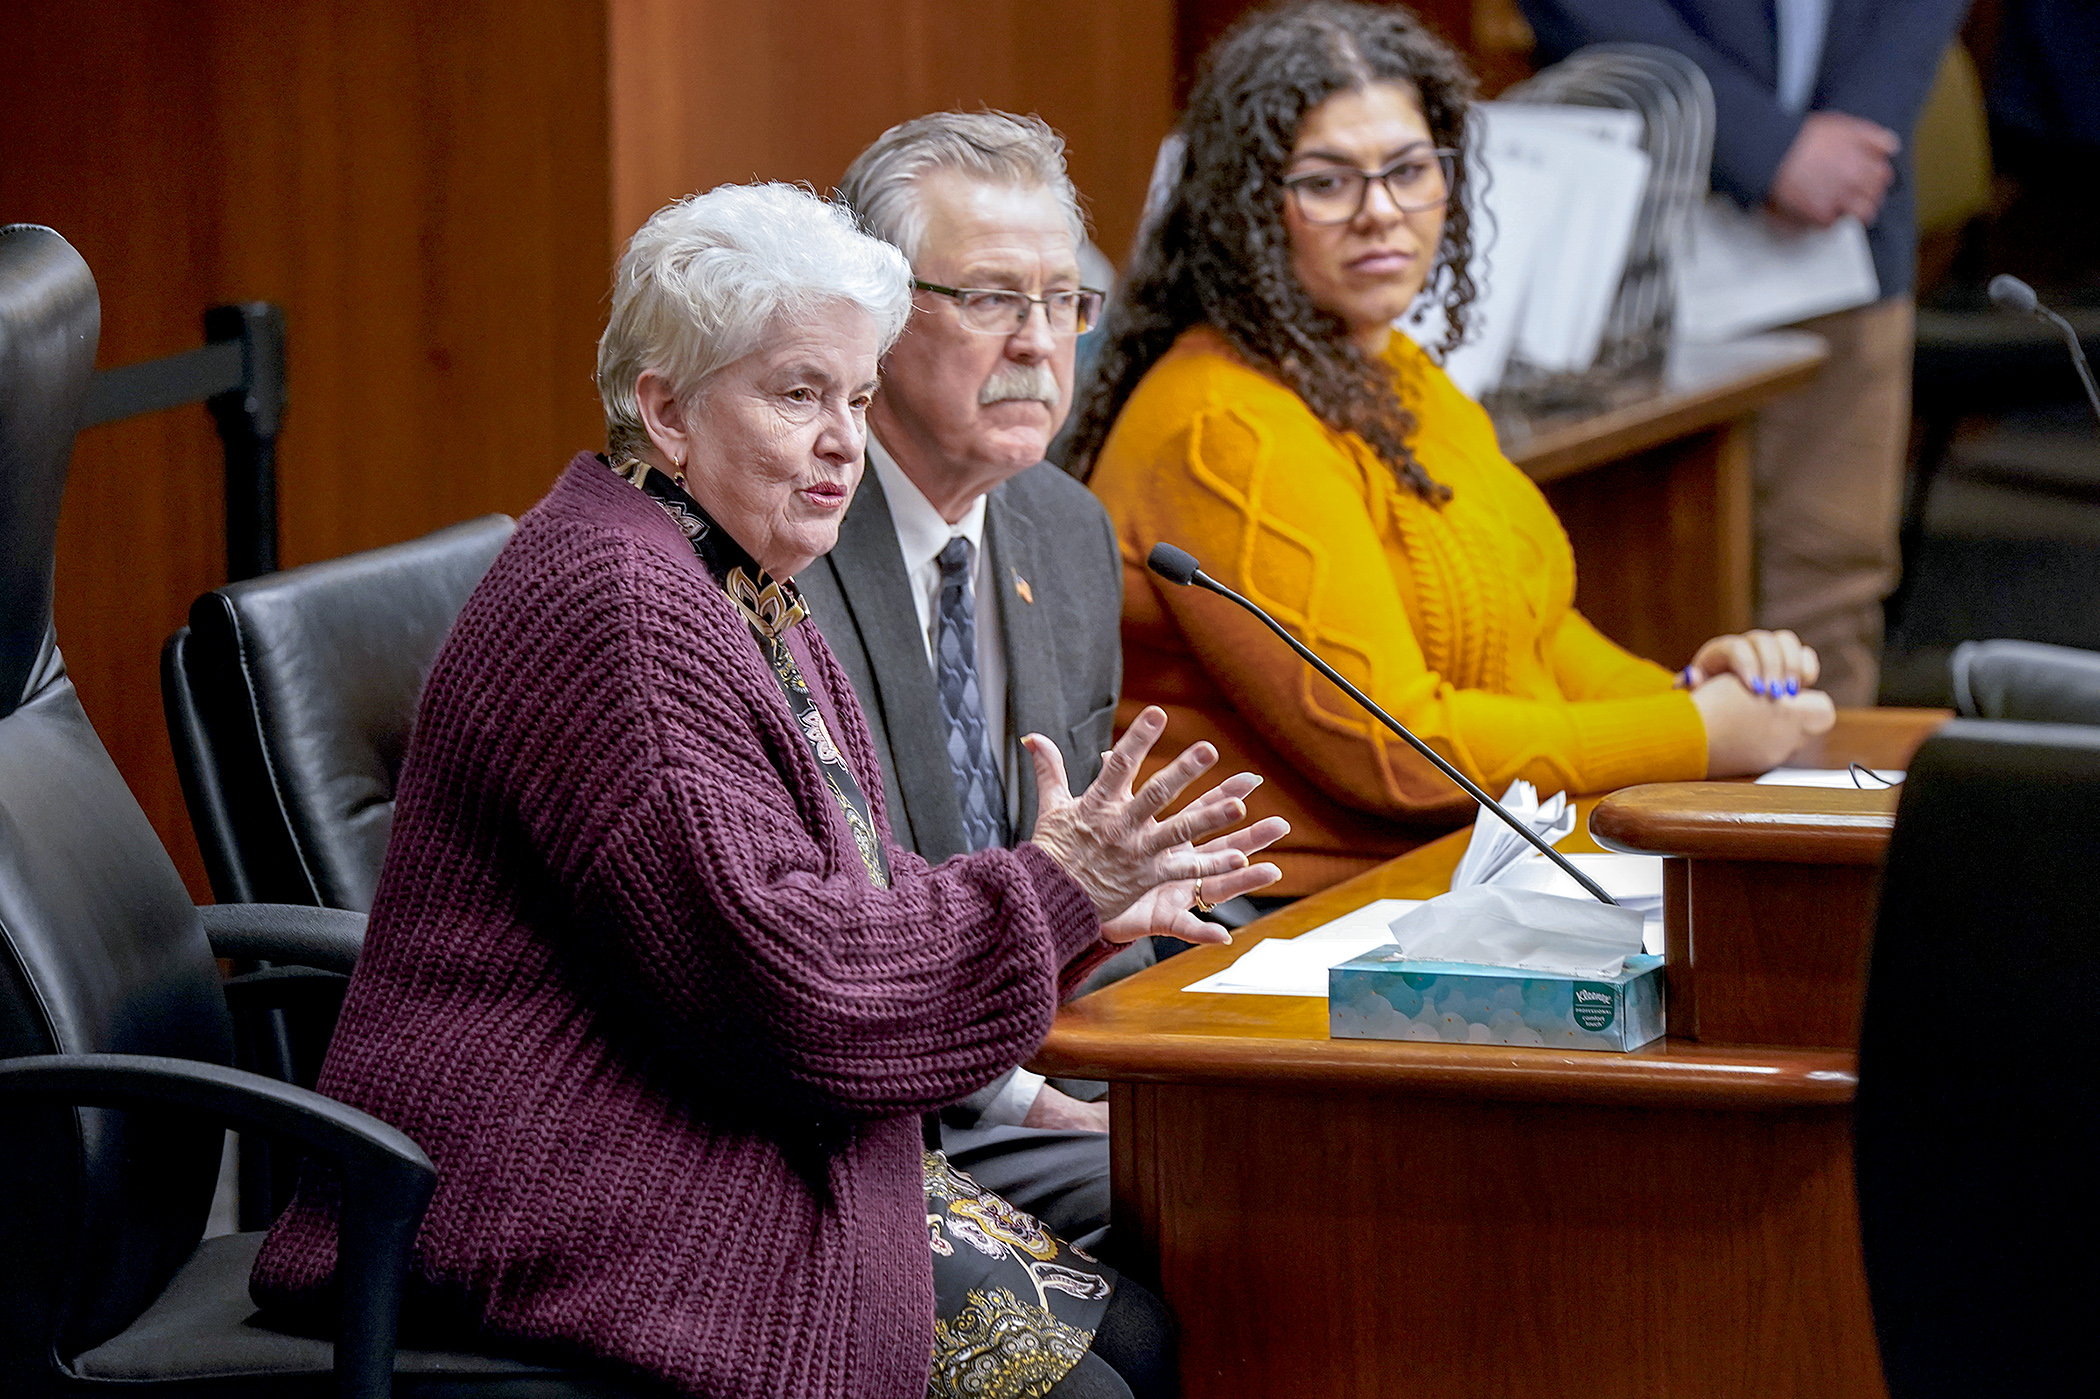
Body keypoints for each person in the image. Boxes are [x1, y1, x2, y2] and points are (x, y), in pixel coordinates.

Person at [249, 182, 1287, 1399]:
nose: (845, 438)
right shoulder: (629, 612)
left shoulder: (728, 575)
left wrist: (1075, 902)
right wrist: (1047, 888)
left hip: (687, 1100)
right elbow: (792, 982)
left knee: (1149, 1337)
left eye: (855, 396)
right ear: (667, 411)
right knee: (1091, 1390)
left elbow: (838, 895)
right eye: (799, 394)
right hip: (563, 1166)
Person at [1063, 0, 1835, 899]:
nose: (1380, 211)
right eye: (1327, 181)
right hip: (1269, 915)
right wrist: (1699, 732)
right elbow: (1396, 749)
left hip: (1435, 871)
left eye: (1408, 170)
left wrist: (1692, 686)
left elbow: (1534, 634)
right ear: (1246, 207)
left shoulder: (1395, 373)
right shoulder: (1221, 423)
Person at [799, 111, 1125, 1255]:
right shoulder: (787, 550)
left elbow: (1066, 862)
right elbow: (834, 934)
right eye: (991, 298)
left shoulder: (1063, 527)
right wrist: (1022, 1096)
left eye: (1063, 299)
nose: (1038, 342)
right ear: (876, 322)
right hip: (854, 1119)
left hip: (1045, 1055)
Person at [1519, 0, 1972, 706]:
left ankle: (1817, 809)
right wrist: (1766, 148)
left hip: (1847, 218)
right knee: (1634, 583)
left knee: (1834, 571)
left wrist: (1859, 137)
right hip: (1632, 218)